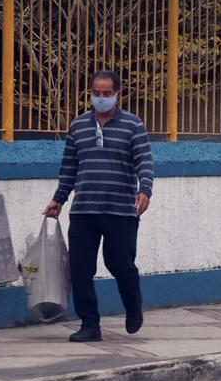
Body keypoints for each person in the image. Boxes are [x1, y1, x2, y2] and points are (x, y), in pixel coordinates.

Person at [44, 70, 154, 342]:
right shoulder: (78, 125)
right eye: (96, 93)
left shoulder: (133, 124)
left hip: (120, 210)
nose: (101, 99)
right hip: (84, 210)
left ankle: (133, 305)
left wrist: (145, 189)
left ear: (117, 94)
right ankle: (90, 324)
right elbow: (69, 167)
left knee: (120, 264)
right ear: (90, 93)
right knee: (80, 269)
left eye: (107, 94)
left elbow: (144, 160)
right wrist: (59, 198)